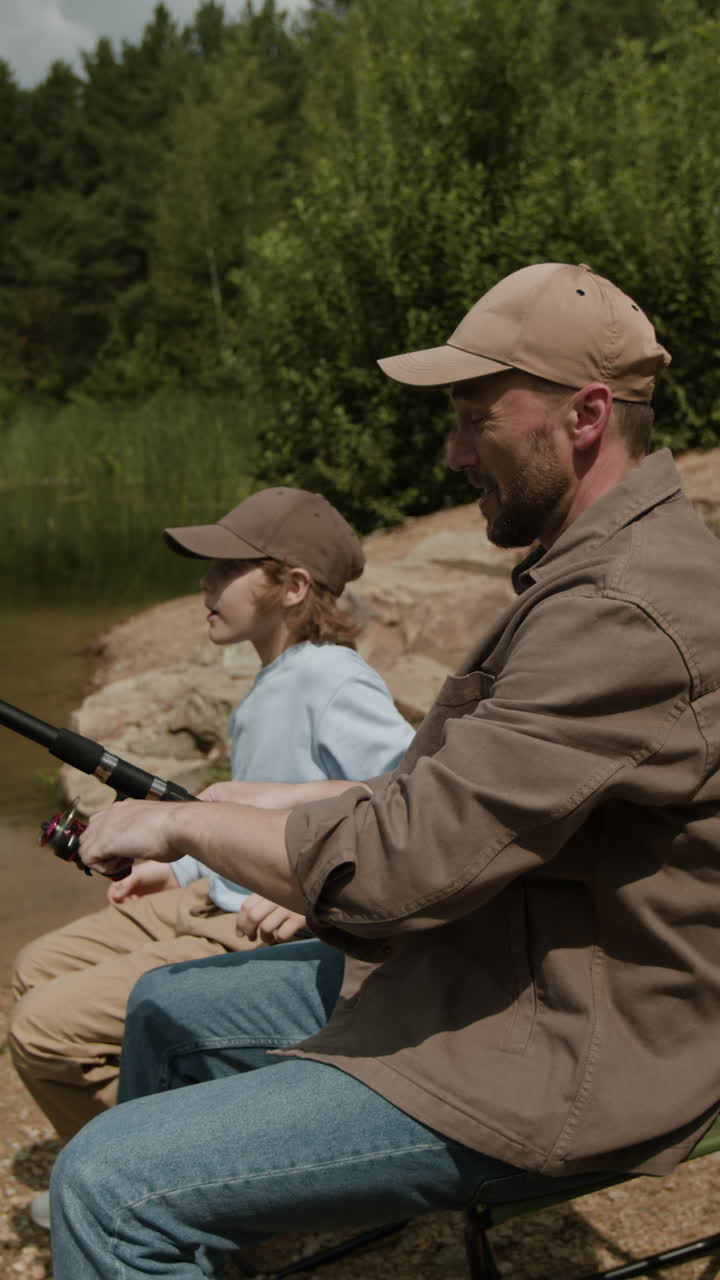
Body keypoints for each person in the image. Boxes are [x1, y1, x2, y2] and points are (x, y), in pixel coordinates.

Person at [49, 262, 720, 1280]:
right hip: (497, 959)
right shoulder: (602, 568)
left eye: (474, 417)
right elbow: (455, 790)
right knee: (167, 1009)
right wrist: (239, 798)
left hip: (571, 1039)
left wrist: (186, 828)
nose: (452, 453)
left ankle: (153, 1226)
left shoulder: (620, 610)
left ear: (584, 415)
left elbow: (409, 860)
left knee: (106, 1181)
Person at [9, 486, 413, 1223]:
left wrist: (318, 892)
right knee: (32, 969)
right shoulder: (269, 683)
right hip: (210, 895)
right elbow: (249, 817)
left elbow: (405, 796)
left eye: (227, 569)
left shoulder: (334, 677)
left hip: (255, 921)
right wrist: (179, 866)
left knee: (43, 1029)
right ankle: (156, 1166)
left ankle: (149, 1189)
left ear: (291, 587)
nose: (204, 584)